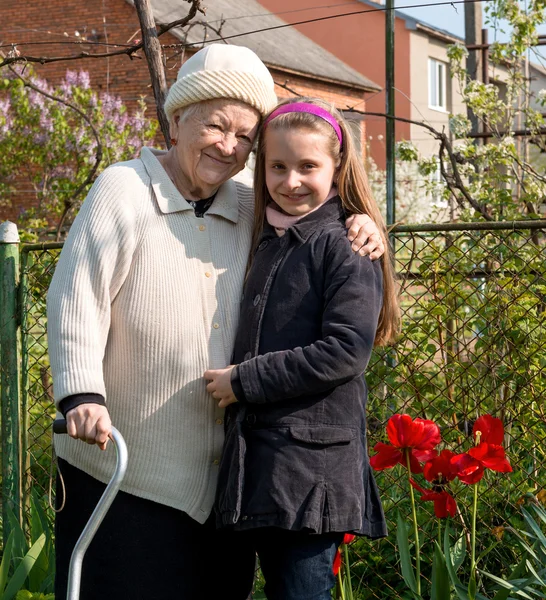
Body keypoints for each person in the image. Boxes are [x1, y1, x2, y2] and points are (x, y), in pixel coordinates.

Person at [46, 45, 386, 600]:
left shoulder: (250, 203)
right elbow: (75, 297)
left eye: (245, 136)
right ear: (177, 120)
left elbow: (314, 205)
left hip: (224, 480)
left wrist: (365, 223)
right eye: (214, 125)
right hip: (124, 464)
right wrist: (81, 394)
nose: (228, 146)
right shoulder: (124, 190)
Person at [205, 98, 400, 600]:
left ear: (337, 167)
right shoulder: (263, 238)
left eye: (308, 166)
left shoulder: (347, 246)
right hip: (253, 467)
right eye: (278, 166)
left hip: (311, 476)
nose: (291, 181)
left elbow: (344, 352)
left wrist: (243, 380)